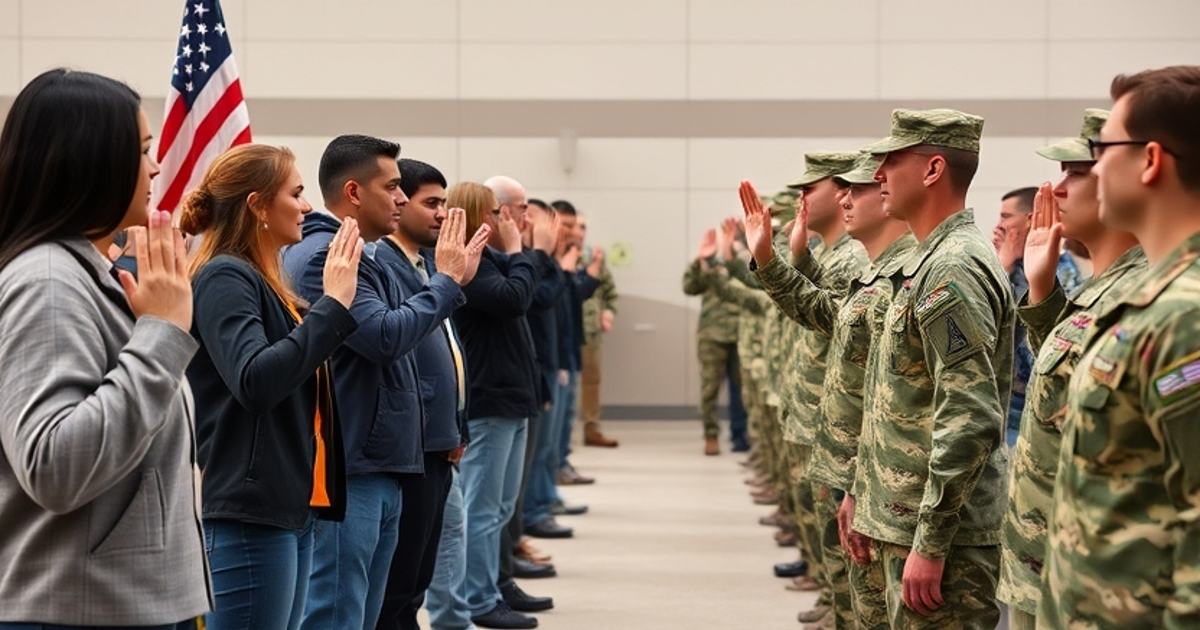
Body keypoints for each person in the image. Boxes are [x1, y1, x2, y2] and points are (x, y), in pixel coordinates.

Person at [0, 68, 210, 628]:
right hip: (76, 609)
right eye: (142, 151)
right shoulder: (46, 280)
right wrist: (161, 332)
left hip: (114, 603)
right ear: (89, 160)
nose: (158, 166)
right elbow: (55, 466)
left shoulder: (84, 273)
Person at [282, 135, 486, 630]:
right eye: (392, 187)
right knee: (337, 611)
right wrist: (447, 281)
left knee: (370, 610)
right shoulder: (321, 257)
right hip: (353, 464)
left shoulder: (365, 255)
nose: (400, 198)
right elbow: (384, 337)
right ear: (354, 192)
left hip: (382, 460)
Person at [1040, 65, 1200, 630]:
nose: (1092, 166)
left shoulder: (1187, 315)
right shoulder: (1157, 298)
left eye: (1101, 148)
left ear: (1151, 161)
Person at [182, 144, 363, 630]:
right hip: (249, 513)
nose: (307, 206)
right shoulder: (224, 276)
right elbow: (256, 380)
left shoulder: (264, 281)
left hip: (284, 505)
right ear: (258, 205)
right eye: (297, 193)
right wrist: (334, 306)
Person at [852, 108, 1013, 630]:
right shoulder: (930, 259)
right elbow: (901, 396)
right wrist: (864, 495)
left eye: (891, 160)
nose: (877, 174)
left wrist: (932, 539)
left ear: (932, 169)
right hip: (905, 520)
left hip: (945, 539)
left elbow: (969, 415)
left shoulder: (952, 268)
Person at [995, 108, 1146, 630]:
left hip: (1090, 585)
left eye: (1076, 173)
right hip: (1046, 562)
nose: (1055, 189)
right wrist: (1039, 291)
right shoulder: (1097, 288)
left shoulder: (1148, 295)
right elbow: (1066, 386)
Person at [742, 150, 868, 627]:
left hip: (831, 416)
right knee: (823, 527)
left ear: (839, 193)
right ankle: (833, 605)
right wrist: (792, 259)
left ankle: (839, 612)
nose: (799, 200)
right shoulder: (832, 255)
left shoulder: (851, 257)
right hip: (816, 406)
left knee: (837, 535)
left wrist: (782, 261)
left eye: (807, 190)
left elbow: (828, 319)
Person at [374, 158, 478, 630]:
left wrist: (455, 425)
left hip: (437, 441)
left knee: (416, 580)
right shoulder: (387, 265)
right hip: (410, 446)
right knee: (397, 589)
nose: (441, 214)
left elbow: (447, 351)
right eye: (430, 203)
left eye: (445, 203)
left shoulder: (424, 264)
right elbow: (400, 344)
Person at [449, 180, 543, 630]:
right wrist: (519, 248)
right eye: (497, 212)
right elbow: (516, 300)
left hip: (511, 398)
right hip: (490, 401)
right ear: (478, 216)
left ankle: (492, 584)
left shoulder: (490, 262)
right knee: (483, 511)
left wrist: (513, 253)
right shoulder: (470, 266)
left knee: (501, 508)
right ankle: (478, 598)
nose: (506, 220)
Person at [682, 227, 745, 455]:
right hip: (712, 335)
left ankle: (741, 436)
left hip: (741, 334)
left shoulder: (743, 262)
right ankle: (711, 435)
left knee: (742, 390)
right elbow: (689, 287)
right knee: (710, 389)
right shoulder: (709, 261)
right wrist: (701, 261)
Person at [577, 212, 620, 448]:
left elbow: (611, 294)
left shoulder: (596, 259)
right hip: (564, 330)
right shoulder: (558, 256)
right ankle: (557, 436)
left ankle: (591, 428)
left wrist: (609, 312)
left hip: (590, 332)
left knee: (591, 381)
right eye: (576, 226)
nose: (580, 231)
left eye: (583, 227)